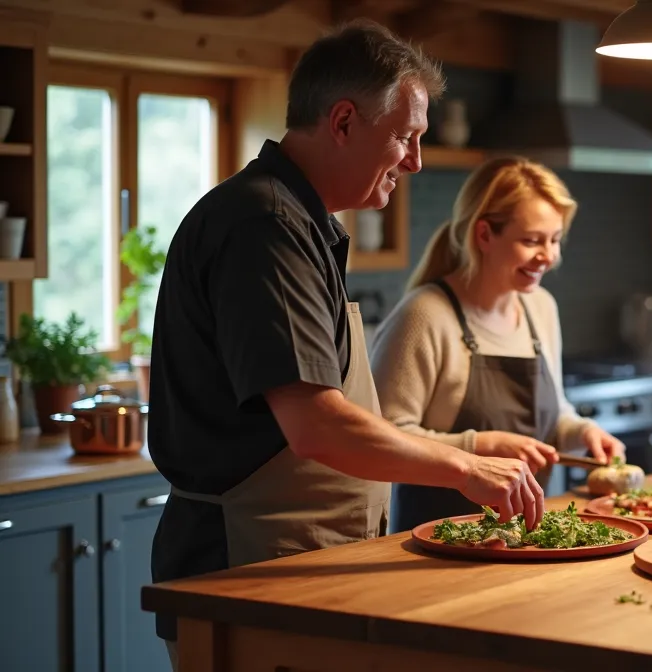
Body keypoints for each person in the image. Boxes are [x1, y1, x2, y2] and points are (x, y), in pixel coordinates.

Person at [147, 21, 545, 667]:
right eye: (405, 137)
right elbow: (317, 427)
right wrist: (468, 467)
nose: (413, 161)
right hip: (245, 568)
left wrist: (470, 451)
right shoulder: (266, 225)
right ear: (342, 122)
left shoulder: (300, 220)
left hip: (298, 561)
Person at [370, 156, 626, 533]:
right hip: (439, 542)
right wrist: (479, 446)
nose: (549, 256)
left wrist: (582, 432)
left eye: (555, 240)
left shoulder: (540, 307)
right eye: (531, 241)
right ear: (485, 234)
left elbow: (553, 415)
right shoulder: (425, 315)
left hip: (534, 539)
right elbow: (380, 438)